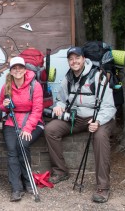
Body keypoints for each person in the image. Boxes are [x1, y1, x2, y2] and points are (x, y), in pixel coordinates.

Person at [44, 47, 116, 203]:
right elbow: (62, 99)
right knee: (50, 129)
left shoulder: (97, 77)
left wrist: (98, 121)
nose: (74, 61)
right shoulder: (67, 78)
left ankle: (103, 186)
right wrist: (59, 105)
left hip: (100, 118)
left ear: (84, 59)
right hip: (77, 119)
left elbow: (110, 106)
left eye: (77, 58)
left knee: (101, 137)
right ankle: (61, 171)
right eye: (71, 59)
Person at [0, 56, 44, 202]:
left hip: (32, 122)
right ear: (11, 71)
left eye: (20, 67)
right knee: (12, 149)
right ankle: (16, 188)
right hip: (12, 122)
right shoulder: (6, 86)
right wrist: (5, 105)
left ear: (25, 70)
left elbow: (37, 109)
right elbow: (1, 106)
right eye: (14, 68)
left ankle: (28, 181)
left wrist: (28, 128)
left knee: (22, 145)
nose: (17, 70)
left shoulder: (35, 85)